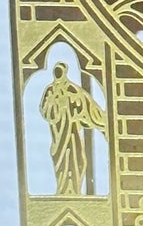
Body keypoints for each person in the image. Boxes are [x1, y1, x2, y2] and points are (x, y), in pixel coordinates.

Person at [40, 62, 105, 196]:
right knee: (61, 160)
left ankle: (74, 190)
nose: (58, 74)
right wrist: (54, 101)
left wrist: (71, 100)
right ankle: (63, 191)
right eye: (56, 71)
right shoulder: (50, 91)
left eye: (60, 71)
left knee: (78, 158)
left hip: (72, 133)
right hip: (58, 135)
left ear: (64, 72)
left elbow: (85, 104)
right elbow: (45, 110)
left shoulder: (72, 89)